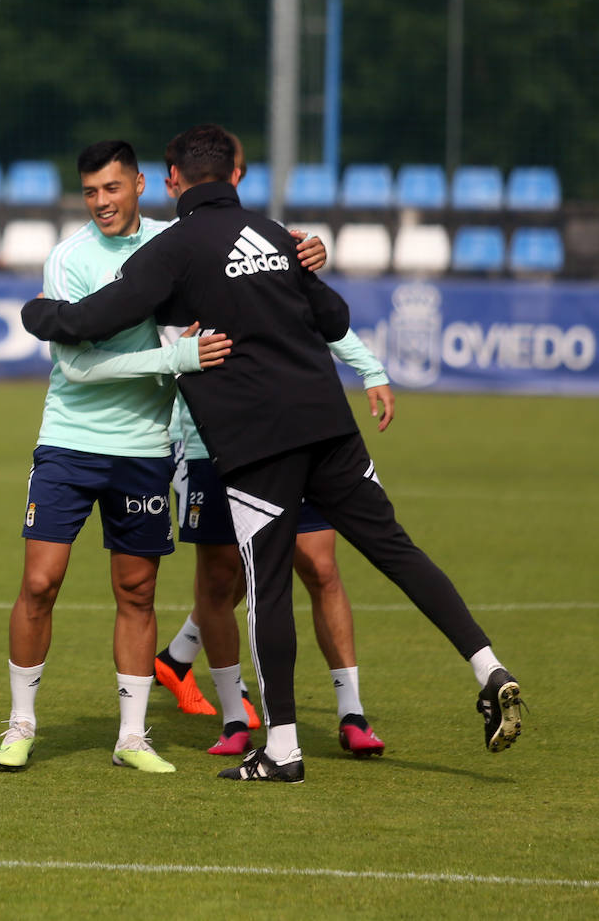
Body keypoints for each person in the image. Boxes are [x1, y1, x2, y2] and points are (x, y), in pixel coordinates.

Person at [22, 124, 524, 783]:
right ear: (235, 176)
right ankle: (488, 667)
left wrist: (39, 315)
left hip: (258, 443)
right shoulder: (272, 234)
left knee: (268, 589)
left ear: (171, 180)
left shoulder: (174, 248)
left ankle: (281, 747)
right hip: (329, 425)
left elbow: (94, 320)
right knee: (396, 549)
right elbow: (335, 317)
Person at [0, 140, 234, 775]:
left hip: (144, 449)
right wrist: (171, 357)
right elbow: (76, 365)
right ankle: (21, 723)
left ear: (141, 185)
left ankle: (131, 737)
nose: (102, 202)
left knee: (137, 590)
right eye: (91, 191)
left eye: (112, 188)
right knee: (40, 583)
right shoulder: (68, 259)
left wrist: (301, 249)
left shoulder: (173, 243)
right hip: (69, 442)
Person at [151, 134, 390, 758]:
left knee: (319, 564)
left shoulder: (269, 237)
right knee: (225, 573)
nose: (108, 200)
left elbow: (306, 317)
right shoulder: (165, 243)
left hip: (290, 430)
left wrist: (369, 367)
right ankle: (234, 717)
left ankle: (351, 711)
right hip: (209, 439)